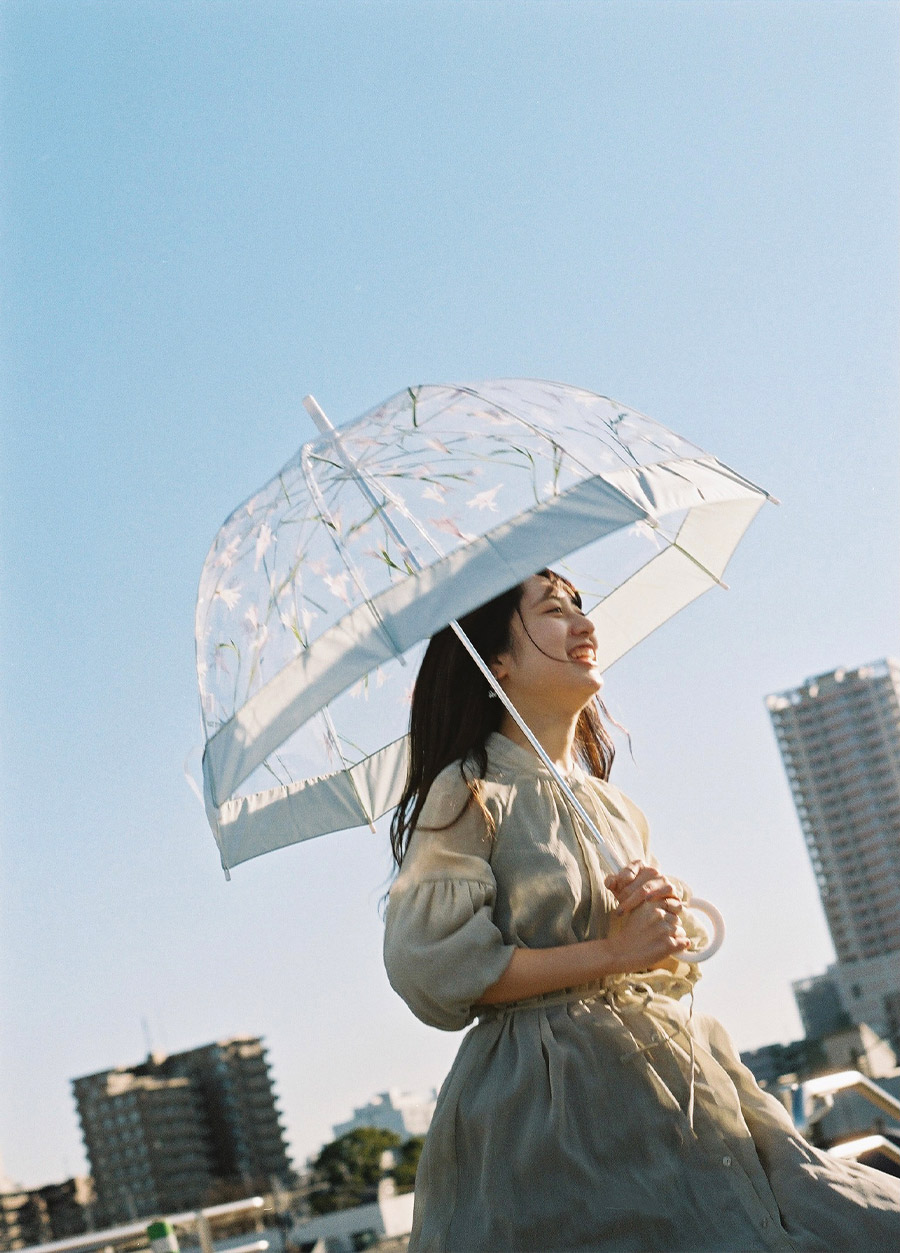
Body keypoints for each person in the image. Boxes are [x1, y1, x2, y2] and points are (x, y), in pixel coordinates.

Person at [382, 569, 900, 1252]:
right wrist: (614, 952)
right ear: (495, 660)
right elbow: (436, 967)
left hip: (677, 1082)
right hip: (553, 1111)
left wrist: (664, 920)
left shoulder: (612, 805)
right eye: (554, 611)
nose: (584, 625)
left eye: (580, 607)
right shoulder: (468, 792)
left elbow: (652, 953)